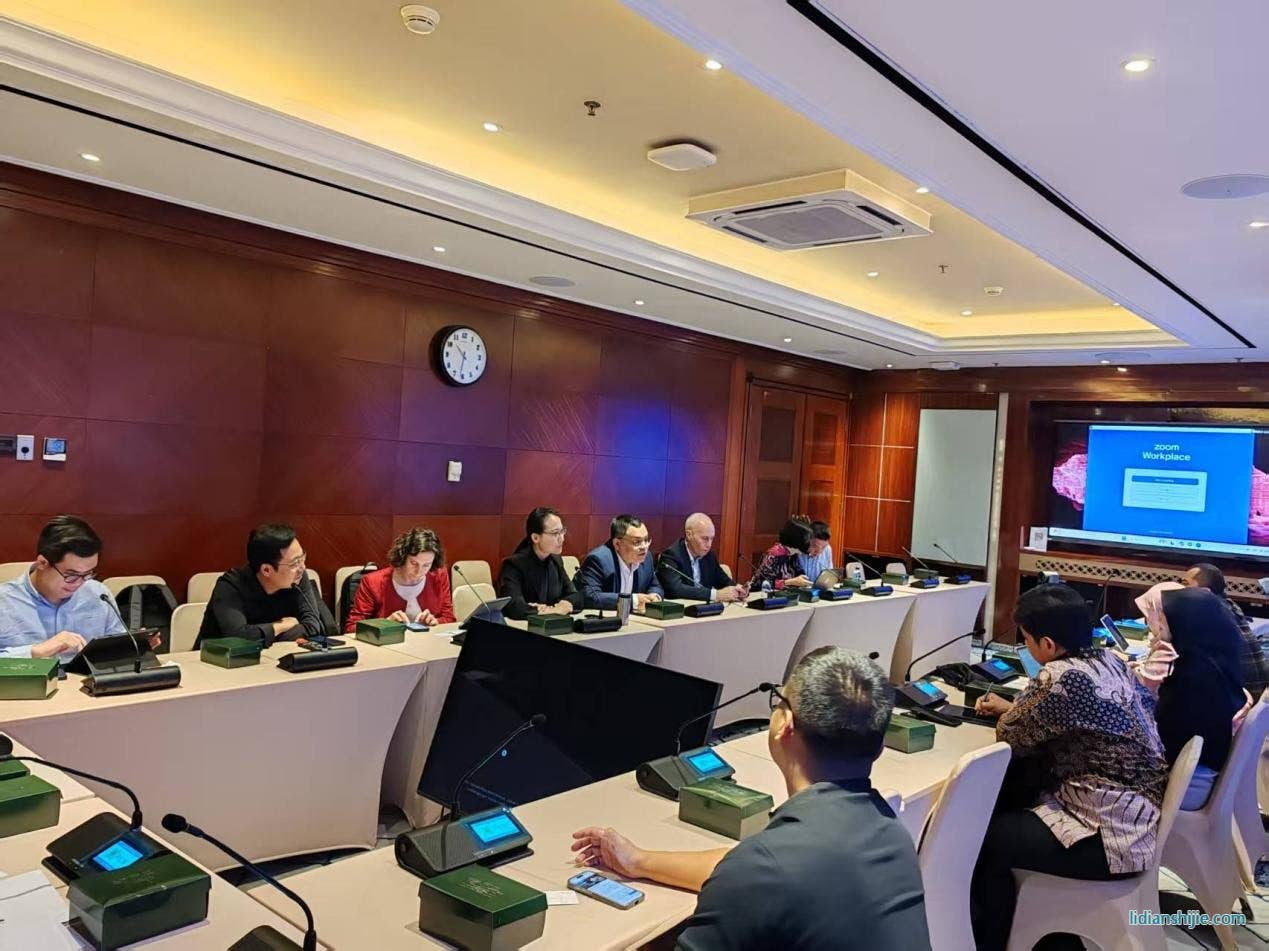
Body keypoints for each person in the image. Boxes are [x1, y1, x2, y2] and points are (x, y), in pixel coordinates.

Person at [571, 647, 930, 951]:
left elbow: (755, 873)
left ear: (783, 724)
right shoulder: (891, 833)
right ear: (879, 747)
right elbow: (745, 866)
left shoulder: (763, 870)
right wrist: (639, 861)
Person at [970, 584, 1168, 951]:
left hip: (1105, 839)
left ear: (1047, 644)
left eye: (1026, 638)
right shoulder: (1110, 661)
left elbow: (1011, 736)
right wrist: (1017, 706)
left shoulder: (1059, 676)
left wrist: (1013, 712)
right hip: (1136, 823)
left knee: (977, 837)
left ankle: (993, 940)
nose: (1025, 645)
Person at [1147, 587, 1247, 811]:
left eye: (1164, 617)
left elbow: (1163, 737)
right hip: (1199, 774)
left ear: (1186, 624)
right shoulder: (1215, 663)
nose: (1158, 623)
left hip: (1184, 785)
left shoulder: (1195, 680)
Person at [0, 515, 156, 659]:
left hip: (85, 680)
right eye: (71, 575)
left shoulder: (98, 594)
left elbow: (112, 652)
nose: (79, 583)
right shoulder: (4, 602)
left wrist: (132, 648)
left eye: (87, 574)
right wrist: (36, 651)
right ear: (42, 563)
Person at [196, 524, 336, 648]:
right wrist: (281, 626)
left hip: (276, 658)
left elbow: (313, 627)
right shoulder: (230, 587)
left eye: (302, 558)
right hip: (218, 664)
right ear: (266, 570)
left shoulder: (297, 577)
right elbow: (239, 639)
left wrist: (262, 636)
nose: (302, 567)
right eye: (294, 563)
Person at [1183, 562, 1268, 697]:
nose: (1181, 589)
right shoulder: (1229, 605)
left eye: (1186, 584)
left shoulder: (1208, 613)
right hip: (1257, 694)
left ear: (1204, 591)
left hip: (1241, 698)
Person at [345, 527, 455, 631]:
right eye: (414, 563)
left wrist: (436, 622)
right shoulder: (373, 582)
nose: (419, 571)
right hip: (388, 643)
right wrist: (385, 624)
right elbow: (351, 628)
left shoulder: (439, 575)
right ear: (403, 558)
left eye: (426, 565)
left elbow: (449, 618)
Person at [498, 508, 583, 620]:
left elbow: (576, 596)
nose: (561, 539)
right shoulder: (513, 565)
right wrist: (551, 611)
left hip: (552, 625)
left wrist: (564, 604)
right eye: (555, 533)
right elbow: (513, 607)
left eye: (562, 531)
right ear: (535, 538)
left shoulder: (555, 560)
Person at [576, 515, 664, 613]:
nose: (644, 547)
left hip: (635, 618)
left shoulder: (646, 558)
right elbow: (590, 597)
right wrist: (633, 601)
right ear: (617, 544)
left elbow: (655, 585)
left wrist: (654, 596)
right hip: (606, 618)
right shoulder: (598, 560)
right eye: (637, 542)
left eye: (646, 540)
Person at [655, 513, 747, 603]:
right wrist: (714, 595)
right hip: (682, 608)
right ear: (689, 535)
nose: (709, 545)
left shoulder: (709, 556)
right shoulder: (671, 555)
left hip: (704, 608)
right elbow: (676, 589)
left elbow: (723, 581)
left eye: (712, 539)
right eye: (705, 539)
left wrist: (738, 589)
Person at [749, 518, 814, 590]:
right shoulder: (773, 554)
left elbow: (799, 573)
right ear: (797, 540)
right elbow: (762, 582)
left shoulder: (794, 554)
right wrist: (790, 582)